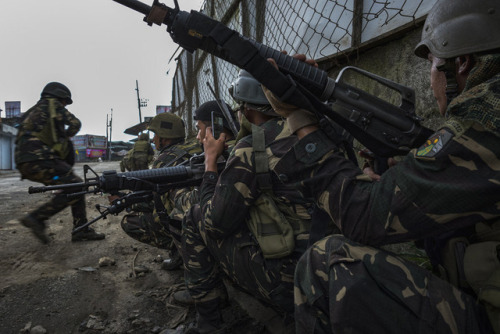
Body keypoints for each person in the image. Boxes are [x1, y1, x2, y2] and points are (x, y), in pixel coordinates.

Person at [261, 0, 500, 333]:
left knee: (326, 262)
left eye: (431, 63)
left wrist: (300, 120)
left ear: (461, 63)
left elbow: (363, 216)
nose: (429, 78)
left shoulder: (485, 122)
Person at [178, 70, 329, 333]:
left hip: (291, 281)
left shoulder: (253, 146)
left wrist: (211, 164)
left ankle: (208, 324)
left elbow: (215, 223)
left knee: (194, 217)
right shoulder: (320, 131)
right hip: (334, 266)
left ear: (246, 111)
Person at [16, 82, 105, 243]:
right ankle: (38, 218)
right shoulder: (53, 105)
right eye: (65, 101)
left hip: (25, 164)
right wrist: (64, 139)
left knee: (72, 185)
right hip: (41, 159)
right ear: (59, 97)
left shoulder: (30, 112)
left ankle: (80, 229)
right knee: (77, 186)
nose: (64, 105)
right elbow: (75, 123)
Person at [119, 112, 201, 270]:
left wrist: (125, 202)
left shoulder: (164, 160)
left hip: (188, 224)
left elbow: (157, 205)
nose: (153, 139)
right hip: (205, 217)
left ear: (165, 137)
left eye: (155, 134)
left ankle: (180, 250)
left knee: (129, 222)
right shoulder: (196, 147)